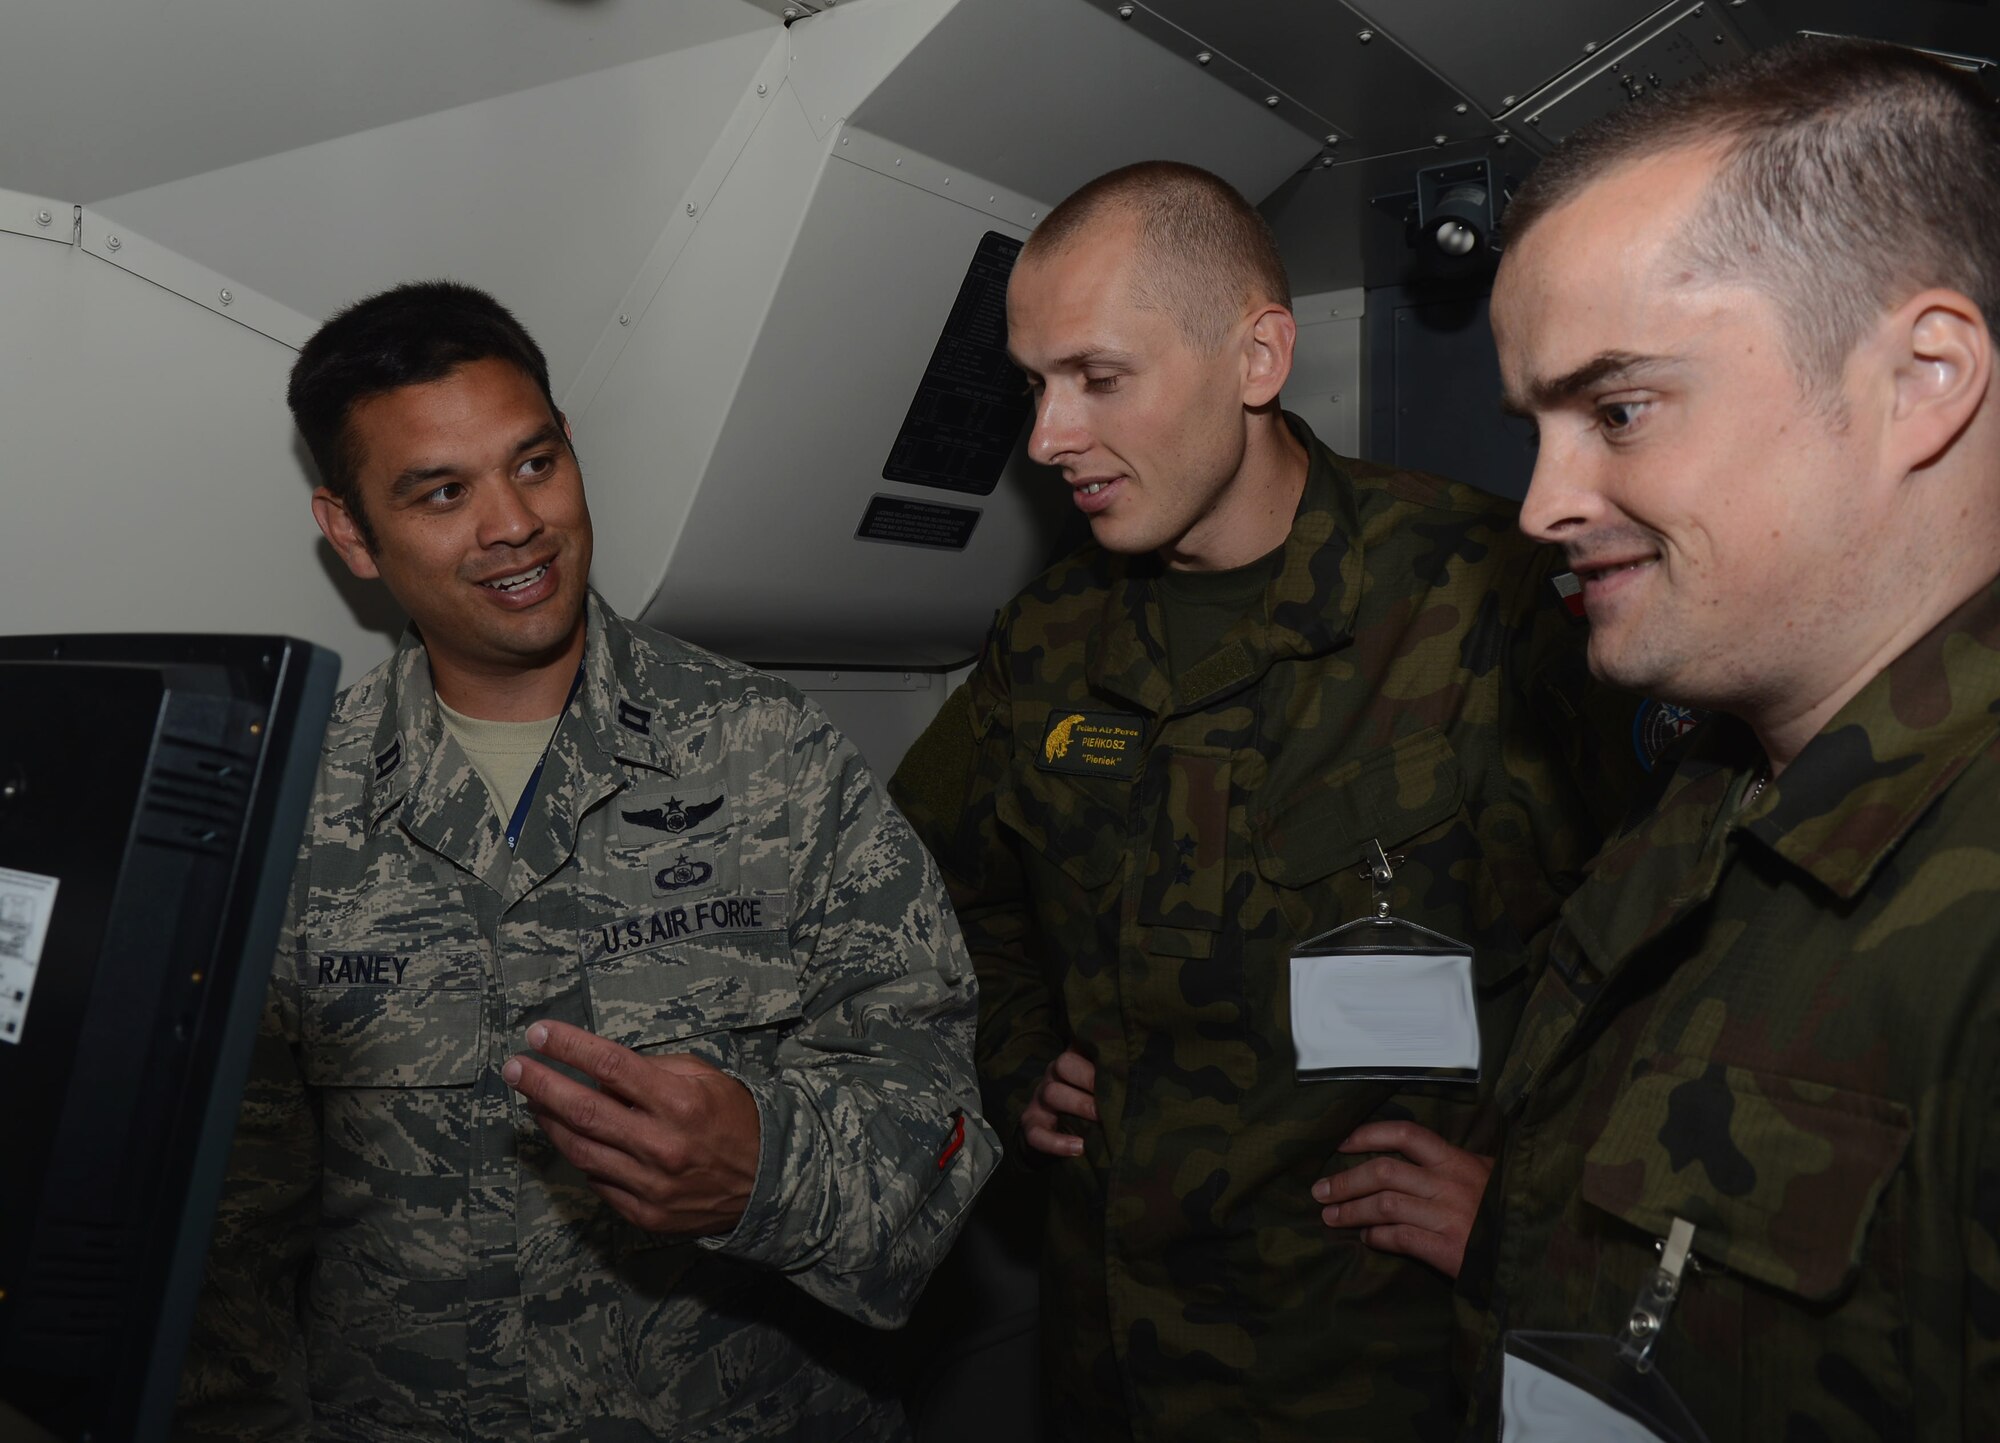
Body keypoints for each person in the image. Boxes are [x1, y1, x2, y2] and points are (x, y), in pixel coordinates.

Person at [175, 281, 997, 1441]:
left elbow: (941, 1112)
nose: (513, 523)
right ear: (351, 531)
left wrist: (765, 1170)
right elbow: (226, 1239)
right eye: (442, 493)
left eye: (535, 462)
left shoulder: (771, 754)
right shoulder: (293, 813)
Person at [889, 161, 1631, 1441]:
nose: (1047, 437)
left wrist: (1533, 1202)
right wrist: (1011, 1049)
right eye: (1032, 386)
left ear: (1256, 357)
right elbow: (950, 893)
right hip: (1105, 1353)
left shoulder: (1481, 600)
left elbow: (1659, 945)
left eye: (1097, 378)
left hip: (1363, 1363)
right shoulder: (1047, 640)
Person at [1459, 37, 2000, 1440]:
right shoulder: (1707, 804)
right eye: (1537, 427)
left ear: (1923, 377)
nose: (1542, 504)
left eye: (1619, 409)